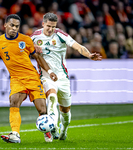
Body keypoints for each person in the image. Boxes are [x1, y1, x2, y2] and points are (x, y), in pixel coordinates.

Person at [0, 14, 58, 143]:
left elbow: (38, 58)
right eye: (12, 25)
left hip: (32, 78)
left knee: (42, 110)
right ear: (5, 25)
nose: (14, 28)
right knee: (14, 102)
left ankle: (48, 131)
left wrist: (49, 71)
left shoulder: (26, 40)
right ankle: (15, 134)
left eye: (17, 26)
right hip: (17, 79)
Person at [31, 12, 102, 142]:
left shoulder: (60, 35)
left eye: (53, 26)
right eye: (48, 26)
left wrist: (89, 55)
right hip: (46, 76)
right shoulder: (35, 37)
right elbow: (23, 48)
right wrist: (32, 48)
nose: (51, 29)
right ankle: (53, 127)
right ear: (43, 24)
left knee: (65, 112)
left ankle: (63, 129)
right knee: (51, 97)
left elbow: (78, 47)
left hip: (62, 78)